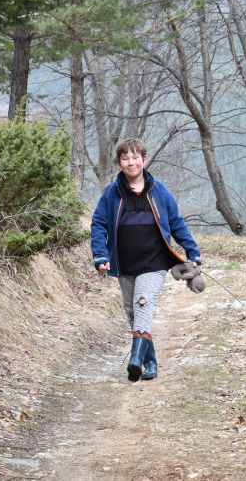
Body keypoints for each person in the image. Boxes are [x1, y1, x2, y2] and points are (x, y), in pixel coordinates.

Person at [90, 138, 202, 382]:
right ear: (119, 163)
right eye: (125, 158)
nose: (131, 162)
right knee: (132, 311)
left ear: (144, 159)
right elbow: (98, 224)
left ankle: (136, 358)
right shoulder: (111, 193)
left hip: (154, 262)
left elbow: (176, 223)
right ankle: (150, 361)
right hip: (124, 263)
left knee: (142, 303)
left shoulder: (159, 190)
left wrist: (192, 252)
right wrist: (100, 254)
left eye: (135, 157)